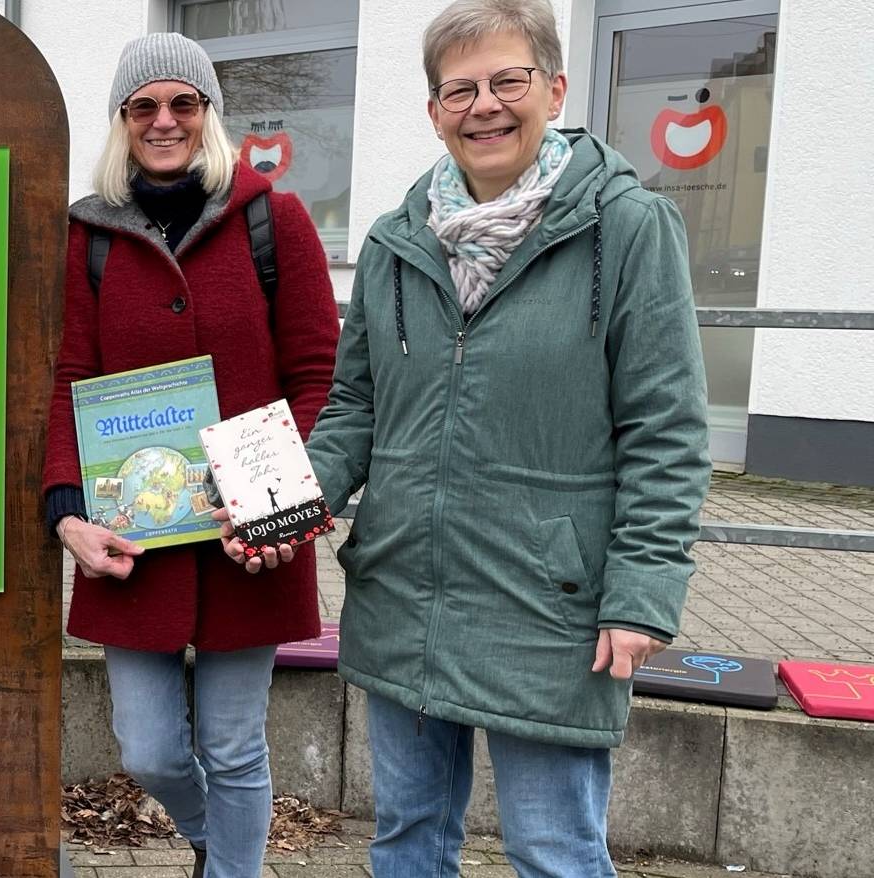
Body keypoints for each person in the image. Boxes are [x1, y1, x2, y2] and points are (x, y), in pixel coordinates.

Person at [221, 2, 711, 875]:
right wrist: (282, 508)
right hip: (408, 588)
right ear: (435, 110)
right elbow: (354, 413)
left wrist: (641, 594)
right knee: (406, 842)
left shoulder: (627, 228)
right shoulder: (395, 242)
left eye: (508, 81)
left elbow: (666, 432)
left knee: (553, 851)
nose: (484, 105)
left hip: (550, 604)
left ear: (554, 89)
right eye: (460, 89)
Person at [41, 32, 341, 878]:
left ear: (209, 115)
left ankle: (234, 869)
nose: (164, 121)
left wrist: (278, 501)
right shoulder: (90, 235)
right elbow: (72, 376)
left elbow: (320, 374)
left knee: (235, 747)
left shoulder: (269, 218)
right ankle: (223, 848)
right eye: (145, 107)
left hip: (252, 533)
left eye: (184, 103)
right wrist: (66, 509)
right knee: (149, 752)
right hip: (137, 537)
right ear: (123, 120)